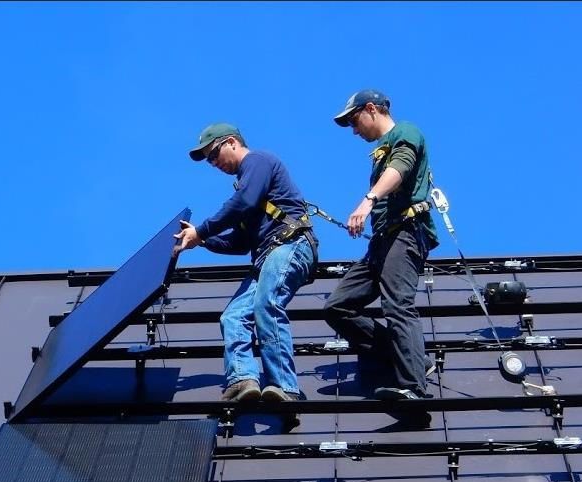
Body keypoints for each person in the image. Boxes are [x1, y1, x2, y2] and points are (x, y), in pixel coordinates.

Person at [173, 123, 318, 409]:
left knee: (267, 304)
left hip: (289, 245)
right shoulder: (246, 184)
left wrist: (201, 231)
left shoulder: (258, 162)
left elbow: (244, 201)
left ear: (231, 142)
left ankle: (285, 388)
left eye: (213, 154)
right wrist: (202, 242)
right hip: (267, 256)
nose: (213, 163)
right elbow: (240, 242)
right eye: (209, 161)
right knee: (233, 317)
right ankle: (243, 379)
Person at [324, 90, 439, 400]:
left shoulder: (405, 132)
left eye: (354, 120)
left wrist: (368, 200)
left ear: (371, 109)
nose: (354, 129)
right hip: (382, 242)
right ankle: (409, 357)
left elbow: (399, 169)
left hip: (404, 233)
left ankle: (413, 387)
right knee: (338, 307)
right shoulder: (382, 147)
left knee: (398, 305)